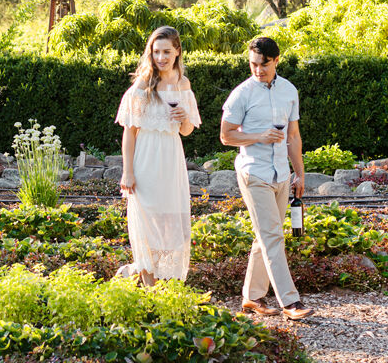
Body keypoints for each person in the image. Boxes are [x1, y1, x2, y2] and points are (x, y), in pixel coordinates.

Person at [220, 36, 313, 320]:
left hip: (281, 174)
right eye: (253, 64)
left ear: (276, 60)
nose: (258, 70)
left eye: (264, 64)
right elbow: (226, 135)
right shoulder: (242, 94)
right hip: (253, 172)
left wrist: (299, 172)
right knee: (273, 236)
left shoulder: (289, 91)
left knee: (265, 237)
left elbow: (293, 136)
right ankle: (291, 302)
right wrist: (258, 136)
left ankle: (251, 297)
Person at [115, 25, 201, 285]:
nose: (161, 58)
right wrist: (127, 172)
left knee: (171, 222)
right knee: (147, 222)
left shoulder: (183, 84)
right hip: (145, 160)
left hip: (171, 159)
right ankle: (150, 288)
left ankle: (169, 284)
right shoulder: (143, 84)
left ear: (177, 51)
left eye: (166, 52)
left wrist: (183, 117)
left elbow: (186, 131)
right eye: (155, 52)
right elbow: (129, 132)